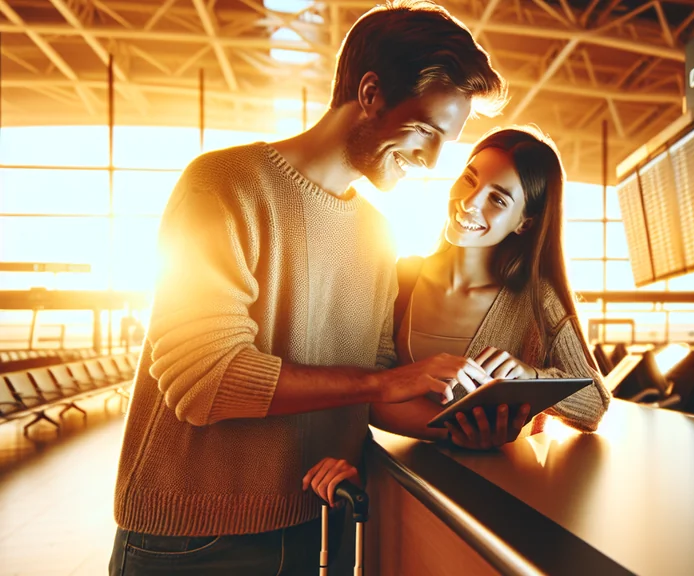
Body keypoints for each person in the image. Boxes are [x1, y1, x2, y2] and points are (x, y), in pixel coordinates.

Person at [107, 2, 507, 574]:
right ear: (369, 94)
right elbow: (204, 381)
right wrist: (391, 379)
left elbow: (366, 390)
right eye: (424, 129)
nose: (432, 159)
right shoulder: (222, 187)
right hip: (196, 539)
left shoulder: (377, 233)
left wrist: (462, 426)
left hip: (318, 520)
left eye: (446, 140)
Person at [304, 127, 611, 501]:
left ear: (524, 223)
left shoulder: (536, 299)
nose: (470, 201)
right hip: (397, 490)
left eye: (497, 199)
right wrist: (453, 431)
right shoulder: (398, 276)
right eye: (469, 178)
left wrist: (530, 377)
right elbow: (368, 390)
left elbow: (595, 403)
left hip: (499, 500)